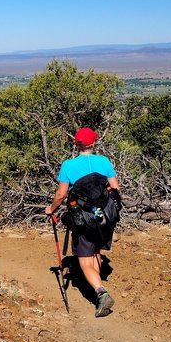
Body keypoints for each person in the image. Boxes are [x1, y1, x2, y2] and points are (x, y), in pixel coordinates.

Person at [46, 127, 119, 317]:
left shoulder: (68, 165)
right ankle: (98, 287)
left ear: (76, 144)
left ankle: (101, 293)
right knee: (96, 252)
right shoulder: (104, 162)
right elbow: (115, 188)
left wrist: (51, 209)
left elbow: (61, 194)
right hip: (104, 217)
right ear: (93, 143)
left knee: (85, 260)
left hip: (83, 218)